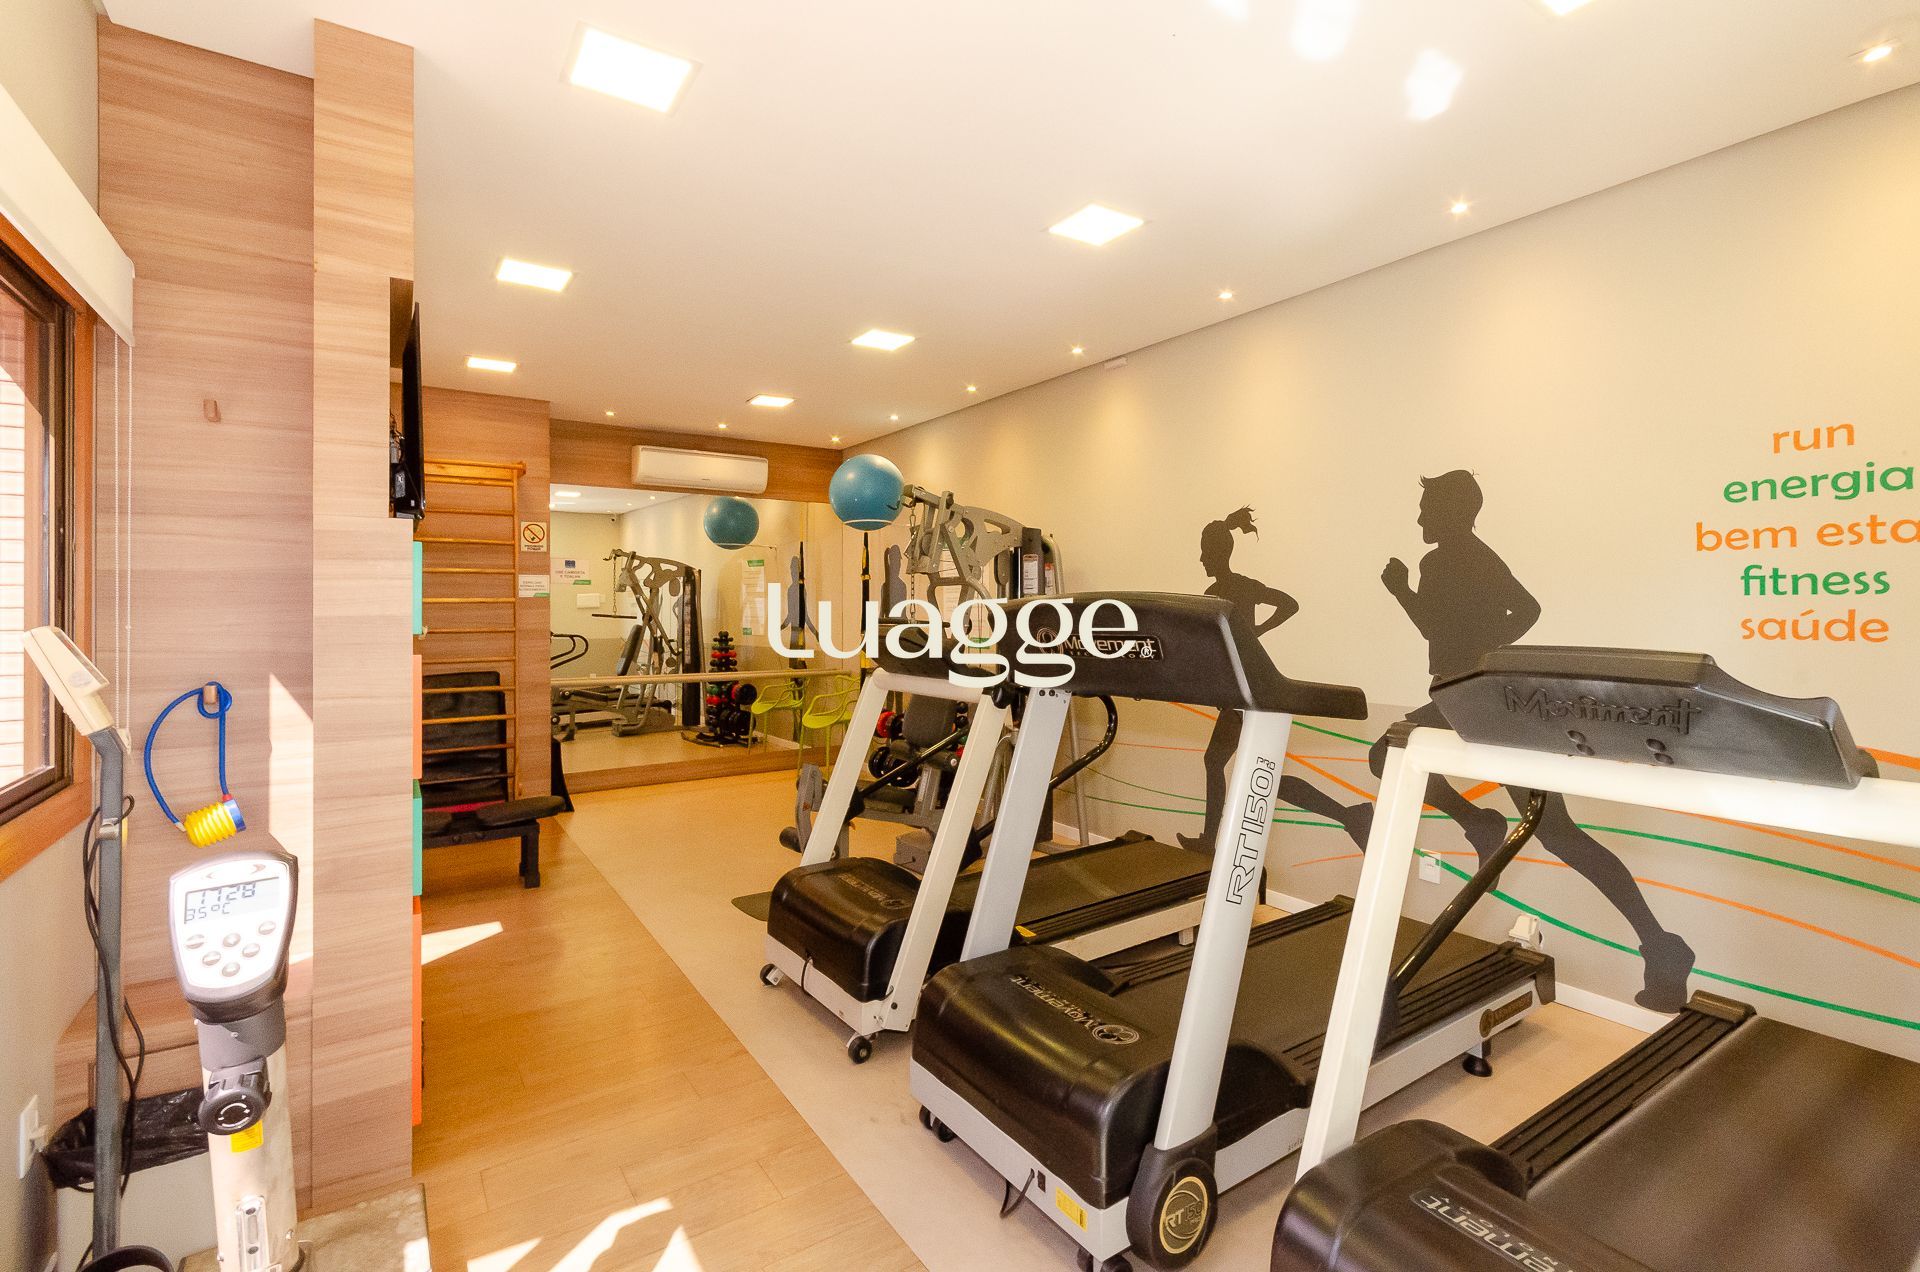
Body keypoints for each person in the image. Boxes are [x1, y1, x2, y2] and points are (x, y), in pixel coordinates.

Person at [1348, 470, 1695, 1011]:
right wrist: (1489, 651)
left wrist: (1407, 596)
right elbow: (1511, 612)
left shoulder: (1443, 562)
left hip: (1474, 698)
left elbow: (1448, 626)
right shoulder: (1472, 556)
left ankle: (1659, 942)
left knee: (1554, 833)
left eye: (1426, 509)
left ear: (1451, 512)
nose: (1418, 519)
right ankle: (1659, 943)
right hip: (1472, 696)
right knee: (1557, 834)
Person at [1180, 509, 1370, 851]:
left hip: (1246, 692)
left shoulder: (1220, 592)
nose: (1201, 558)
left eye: (1205, 552)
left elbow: (1287, 605)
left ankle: (1211, 840)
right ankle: (1350, 815)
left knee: (1230, 765)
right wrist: (1255, 633)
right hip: (1244, 689)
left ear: (1218, 553)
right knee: (1254, 771)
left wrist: (1256, 633)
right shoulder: (1238, 587)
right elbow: (1287, 604)